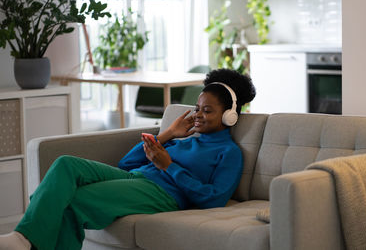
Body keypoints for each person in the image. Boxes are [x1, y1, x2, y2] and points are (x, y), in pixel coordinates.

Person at [0, 68, 256, 250]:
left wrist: (169, 166)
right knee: (66, 163)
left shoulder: (229, 152)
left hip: (163, 194)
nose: (198, 115)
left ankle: (24, 241)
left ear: (229, 116)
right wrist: (166, 135)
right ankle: (23, 238)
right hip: (136, 178)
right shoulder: (186, 139)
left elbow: (214, 197)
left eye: (208, 110)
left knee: (75, 201)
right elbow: (127, 164)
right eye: (198, 108)